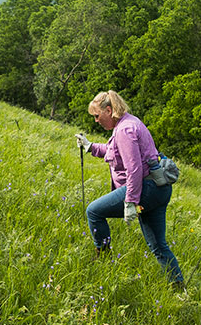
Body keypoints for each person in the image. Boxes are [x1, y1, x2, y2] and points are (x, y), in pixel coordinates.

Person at [75, 91, 184, 287]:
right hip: (159, 188)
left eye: (97, 116)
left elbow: (134, 168)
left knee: (93, 211)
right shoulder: (129, 122)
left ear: (109, 110)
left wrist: (130, 201)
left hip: (145, 188)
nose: (96, 121)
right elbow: (113, 153)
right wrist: (90, 146)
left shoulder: (125, 130)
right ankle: (178, 286)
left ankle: (104, 259)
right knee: (158, 245)